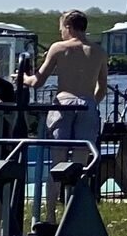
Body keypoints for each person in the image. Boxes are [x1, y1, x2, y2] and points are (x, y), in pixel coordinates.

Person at [33, 10, 109, 168]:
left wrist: (22, 77)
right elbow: (102, 88)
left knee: (58, 159)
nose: (61, 33)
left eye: (61, 29)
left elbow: (37, 81)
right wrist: (91, 103)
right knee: (80, 159)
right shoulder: (99, 52)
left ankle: (56, 185)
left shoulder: (59, 48)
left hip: (63, 104)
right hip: (87, 104)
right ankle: (76, 184)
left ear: (68, 27)